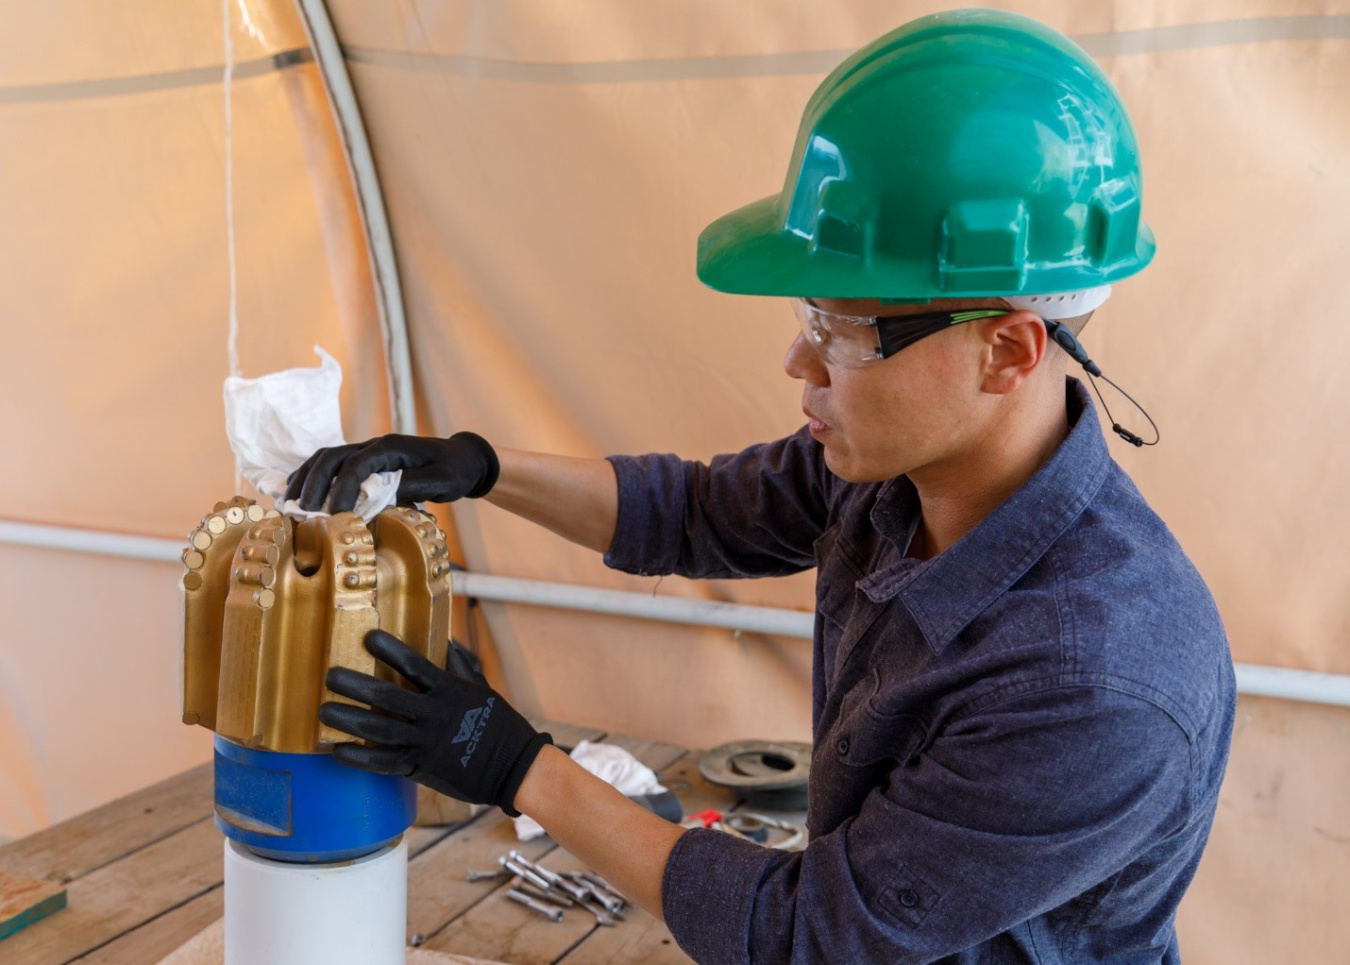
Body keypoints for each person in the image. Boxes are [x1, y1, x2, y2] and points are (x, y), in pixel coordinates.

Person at [288, 10, 1235, 963]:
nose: (799, 361)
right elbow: (697, 513)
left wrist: (517, 765)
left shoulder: (1096, 682)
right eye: (808, 314)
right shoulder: (899, 473)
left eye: (846, 330)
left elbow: (806, 935)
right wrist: (480, 467)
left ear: (1006, 350)